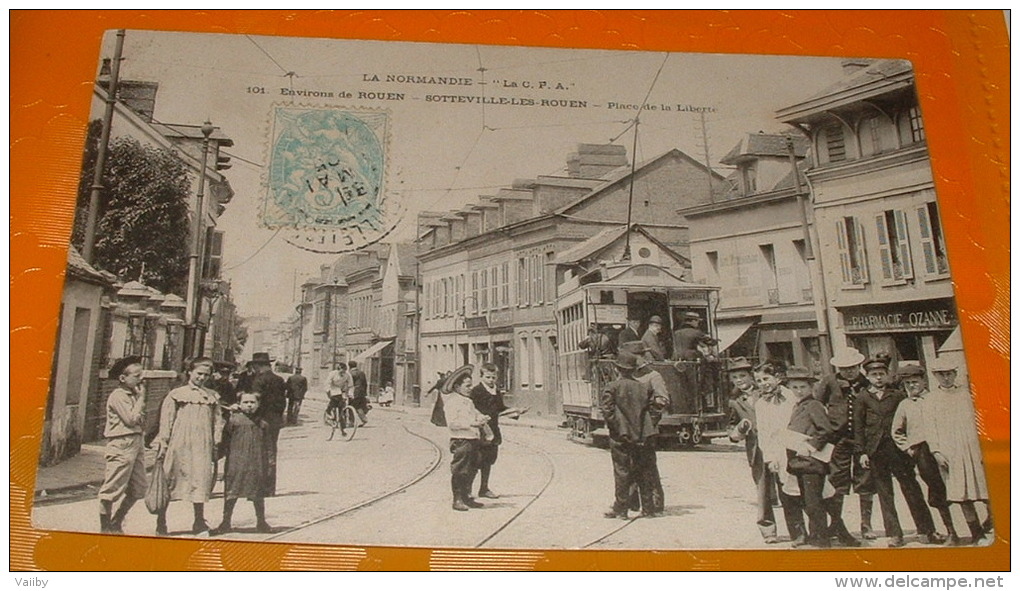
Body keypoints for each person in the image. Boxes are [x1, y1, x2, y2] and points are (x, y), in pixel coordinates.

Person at [853, 356, 939, 547]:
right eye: (874, 375)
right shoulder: (862, 397)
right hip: (875, 450)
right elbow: (858, 427)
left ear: (888, 375)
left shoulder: (897, 394)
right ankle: (895, 534)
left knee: (911, 488)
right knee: (885, 493)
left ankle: (926, 530)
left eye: (881, 374)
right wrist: (862, 453)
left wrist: (908, 446)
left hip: (898, 450)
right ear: (867, 377)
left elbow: (907, 422)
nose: (878, 378)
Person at [153, 357, 223, 537]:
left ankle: (199, 521)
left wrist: (216, 440)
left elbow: (217, 421)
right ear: (190, 372)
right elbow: (166, 420)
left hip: (202, 445)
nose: (202, 378)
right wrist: (163, 442)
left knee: (200, 480)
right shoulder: (177, 394)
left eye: (206, 375)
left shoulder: (212, 396)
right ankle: (161, 523)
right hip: (180, 443)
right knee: (170, 480)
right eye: (199, 374)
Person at [926, 357, 992, 545]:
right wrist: (936, 452)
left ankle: (994, 523)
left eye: (949, 374)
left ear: (955, 374)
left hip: (973, 449)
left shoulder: (967, 395)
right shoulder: (931, 400)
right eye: (942, 375)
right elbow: (931, 428)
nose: (946, 378)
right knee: (961, 495)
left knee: (986, 491)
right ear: (935, 376)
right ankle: (977, 533)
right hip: (950, 453)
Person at [891, 363, 956, 543]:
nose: (912, 386)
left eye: (915, 381)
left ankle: (978, 526)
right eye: (908, 383)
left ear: (923, 381)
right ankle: (952, 532)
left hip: (945, 448)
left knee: (956, 486)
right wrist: (909, 448)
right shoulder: (905, 404)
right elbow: (896, 431)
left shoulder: (935, 399)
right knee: (937, 490)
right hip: (922, 452)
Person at [601, 350, 669, 520]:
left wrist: (616, 428)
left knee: (622, 471)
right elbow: (654, 408)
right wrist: (647, 426)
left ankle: (621, 510)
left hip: (621, 436)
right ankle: (648, 509)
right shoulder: (643, 387)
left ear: (617, 369)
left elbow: (607, 411)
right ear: (633, 369)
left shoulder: (612, 387)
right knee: (643, 470)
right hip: (642, 435)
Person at [814, 347, 869, 545]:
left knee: (864, 480)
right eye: (845, 368)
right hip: (838, 440)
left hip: (861, 439)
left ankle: (866, 525)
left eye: (853, 367)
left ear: (859, 366)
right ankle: (838, 525)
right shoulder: (830, 381)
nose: (849, 371)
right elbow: (817, 406)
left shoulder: (865, 382)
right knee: (838, 483)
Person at [725, 356, 779, 543]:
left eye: (742, 376)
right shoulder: (734, 402)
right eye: (734, 377)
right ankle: (768, 531)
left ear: (750, 376)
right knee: (762, 491)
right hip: (756, 450)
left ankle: (802, 529)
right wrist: (738, 431)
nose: (739, 380)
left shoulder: (764, 391)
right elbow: (731, 430)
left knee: (789, 488)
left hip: (777, 446)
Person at [753, 360, 806, 545]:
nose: (763, 383)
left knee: (808, 491)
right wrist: (770, 459)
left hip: (798, 447)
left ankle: (820, 528)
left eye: (766, 378)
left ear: (777, 377)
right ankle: (797, 533)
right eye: (758, 381)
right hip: (778, 451)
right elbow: (764, 434)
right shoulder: (760, 404)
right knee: (787, 493)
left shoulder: (791, 396)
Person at [784, 366, 837, 548]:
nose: (799, 391)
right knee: (808, 501)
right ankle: (816, 537)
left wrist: (812, 446)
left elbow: (827, 430)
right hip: (800, 462)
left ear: (811, 388)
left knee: (814, 503)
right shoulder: (798, 406)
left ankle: (822, 540)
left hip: (812, 462)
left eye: (803, 387)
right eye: (795, 387)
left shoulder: (813, 405)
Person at [97, 356, 147, 534]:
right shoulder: (118, 396)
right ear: (122, 378)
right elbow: (131, 420)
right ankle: (105, 529)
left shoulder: (133, 395)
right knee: (111, 489)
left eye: (141, 375)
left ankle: (117, 521)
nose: (141, 379)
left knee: (139, 488)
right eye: (136, 375)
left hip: (136, 441)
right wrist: (141, 399)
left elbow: (140, 421)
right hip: (121, 443)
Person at [212, 391, 271, 535]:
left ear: (258, 404)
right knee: (231, 492)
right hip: (235, 463)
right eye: (246, 402)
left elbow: (269, 446)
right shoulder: (233, 421)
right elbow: (225, 442)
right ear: (239, 404)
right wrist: (216, 456)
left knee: (257, 494)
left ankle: (261, 522)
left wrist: (270, 463)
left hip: (256, 463)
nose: (249, 405)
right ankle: (225, 522)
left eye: (253, 402)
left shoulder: (263, 424)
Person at [469, 363, 527, 499]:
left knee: (488, 460)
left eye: (493, 377)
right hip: (479, 429)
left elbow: (500, 408)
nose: (491, 380)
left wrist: (515, 411)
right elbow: (470, 408)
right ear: (481, 377)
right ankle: (468, 490)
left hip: (493, 429)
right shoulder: (476, 391)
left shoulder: (496, 391)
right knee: (476, 460)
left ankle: (484, 488)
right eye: (488, 377)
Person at [442, 365, 489, 511]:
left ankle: (467, 496)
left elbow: (475, 413)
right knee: (460, 469)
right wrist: (472, 424)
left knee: (473, 468)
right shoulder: (452, 403)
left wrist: (482, 417)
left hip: (473, 439)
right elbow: (453, 424)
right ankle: (457, 499)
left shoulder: (468, 401)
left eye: (471, 385)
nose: (470, 389)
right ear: (457, 387)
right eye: (467, 386)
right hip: (461, 440)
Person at [250, 352, 287, 497]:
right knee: (271, 452)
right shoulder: (279, 380)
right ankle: (270, 488)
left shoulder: (258, 380)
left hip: (261, 420)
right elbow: (283, 401)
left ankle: (260, 487)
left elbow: (255, 401)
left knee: (259, 452)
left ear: (257, 366)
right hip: (275, 420)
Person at [348, 360, 370, 426]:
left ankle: (352, 421)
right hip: (362, 392)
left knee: (351, 406)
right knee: (359, 406)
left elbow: (349, 384)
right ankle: (363, 419)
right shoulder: (362, 373)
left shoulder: (350, 373)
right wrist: (365, 393)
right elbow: (365, 384)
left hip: (354, 392)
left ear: (349, 366)